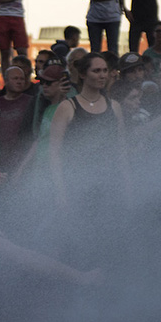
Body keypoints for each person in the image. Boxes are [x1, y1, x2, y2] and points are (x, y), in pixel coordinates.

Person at [48, 52, 122, 209]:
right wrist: (60, 192)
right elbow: (54, 154)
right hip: (76, 186)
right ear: (82, 74)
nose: (102, 75)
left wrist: (127, 188)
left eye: (104, 70)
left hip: (110, 185)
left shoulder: (114, 106)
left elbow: (121, 150)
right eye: (96, 71)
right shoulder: (67, 107)